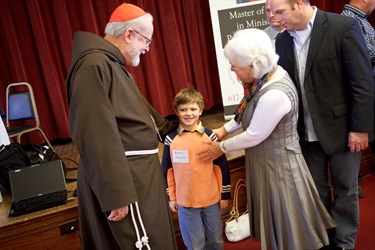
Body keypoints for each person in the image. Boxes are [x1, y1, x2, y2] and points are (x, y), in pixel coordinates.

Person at [198, 28, 336, 250]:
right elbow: (248, 112)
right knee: (281, 225)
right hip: (267, 163)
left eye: (235, 64)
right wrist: (225, 129)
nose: (231, 68)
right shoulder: (264, 79)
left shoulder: (274, 94)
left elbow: (254, 135)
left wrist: (220, 147)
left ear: (253, 66)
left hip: (279, 169)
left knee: (290, 225)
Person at [65, 3, 178, 250]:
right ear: (128, 34)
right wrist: (116, 193)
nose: (147, 49)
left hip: (138, 174)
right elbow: (95, 134)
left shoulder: (110, 63)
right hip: (126, 179)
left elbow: (140, 110)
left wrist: (172, 130)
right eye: (146, 41)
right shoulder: (94, 66)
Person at [271, 0, 374, 249]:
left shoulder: (343, 27)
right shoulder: (282, 41)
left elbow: (362, 83)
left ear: (298, 4)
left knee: (346, 191)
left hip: (343, 130)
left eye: (280, 11)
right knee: (316, 193)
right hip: (304, 135)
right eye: (271, 12)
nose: (275, 18)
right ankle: (325, 241)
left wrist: (360, 129)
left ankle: (344, 244)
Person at [161, 87, 231, 250]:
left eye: (193, 109)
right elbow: (167, 170)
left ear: (200, 110)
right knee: (194, 243)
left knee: (215, 240)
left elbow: (221, 167)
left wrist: (224, 194)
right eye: (183, 109)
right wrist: (171, 197)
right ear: (177, 112)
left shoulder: (210, 136)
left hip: (211, 200)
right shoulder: (171, 140)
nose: (188, 113)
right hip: (186, 203)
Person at [342, 0, 375, 199]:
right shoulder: (349, 21)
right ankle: (355, 181)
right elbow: (365, 54)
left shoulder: (364, 21)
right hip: (358, 90)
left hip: (369, 88)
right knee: (356, 139)